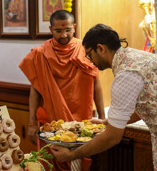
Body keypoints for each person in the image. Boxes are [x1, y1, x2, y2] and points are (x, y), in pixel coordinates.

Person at [50, 23, 157, 171]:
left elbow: (112, 137)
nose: (89, 60)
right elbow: (146, 105)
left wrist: (72, 155)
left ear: (101, 48)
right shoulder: (137, 56)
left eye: (89, 54)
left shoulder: (125, 75)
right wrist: (107, 122)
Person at [19, 10, 105, 171]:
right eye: (58, 31)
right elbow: (35, 91)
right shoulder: (41, 54)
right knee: (49, 164)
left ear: (74, 27)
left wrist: (102, 117)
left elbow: (96, 84)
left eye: (67, 30)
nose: (64, 34)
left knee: (79, 164)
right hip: (51, 123)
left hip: (82, 122)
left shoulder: (86, 50)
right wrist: (31, 123)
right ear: (51, 30)